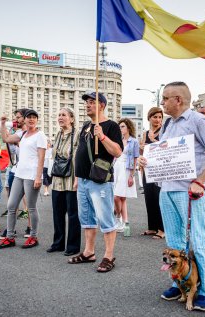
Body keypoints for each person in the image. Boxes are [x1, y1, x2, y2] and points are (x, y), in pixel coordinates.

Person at [140, 82, 205, 311]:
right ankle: (180, 284)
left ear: (178, 99)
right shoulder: (168, 124)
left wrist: (201, 180)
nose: (162, 103)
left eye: (165, 99)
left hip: (190, 191)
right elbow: (164, 154)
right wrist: (146, 160)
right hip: (166, 189)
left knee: (198, 241)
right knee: (175, 242)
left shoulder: (199, 121)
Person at [67, 91, 123, 273]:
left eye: (92, 102)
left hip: (99, 181)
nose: (88, 105)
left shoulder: (111, 126)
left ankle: (108, 256)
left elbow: (117, 152)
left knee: (105, 218)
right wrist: (77, 178)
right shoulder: (85, 126)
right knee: (87, 219)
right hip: (83, 180)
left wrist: (103, 137)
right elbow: (80, 152)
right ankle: (89, 252)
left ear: (102, 105)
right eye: (87, 102)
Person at [0, 109, 46, 249]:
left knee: (31, 207)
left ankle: (33, 236)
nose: (31, 119)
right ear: (24, 119)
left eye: (34, 117)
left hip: (31, 176)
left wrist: (38, 176)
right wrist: (3, 123)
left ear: (37, 120)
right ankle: (10, 237)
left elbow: (41, 157)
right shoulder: (22, 134)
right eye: (28, 117)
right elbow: (5, 138)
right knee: (11, 206)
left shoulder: (40, 135)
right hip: (19, 174)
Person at [46, 108, 81, 256]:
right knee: (57, 213)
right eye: (59, 115)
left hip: (72, 178)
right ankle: (58, 243)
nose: (60, 117)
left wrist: (78, 178)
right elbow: (55, 156)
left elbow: (80, 157)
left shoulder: (78, 134)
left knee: (73, 214)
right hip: (58, 179)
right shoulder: (58, 134)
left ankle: (73, 246)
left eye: (64, 115)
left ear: (72, 119)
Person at [0, 109, 31, 239]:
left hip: (27, 171)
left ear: (25, 118)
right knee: (12, 201)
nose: (16, 120)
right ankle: (11, 229)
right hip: (15, 169)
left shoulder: (31, 133)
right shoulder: (17, 132)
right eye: (15, 117)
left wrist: (17, 141)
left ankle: (30, 228)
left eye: (18, 117)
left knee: (29, 201)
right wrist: (3, 125)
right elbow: (6, 139)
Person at [139, 107, 165, 239]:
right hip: (148, 170)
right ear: (149, 118)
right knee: (149, 198)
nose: (158, 120)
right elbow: (141, 152)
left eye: (160, 117)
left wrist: (153, 143)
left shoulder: (164, 131)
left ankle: (162, 229)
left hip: (160, 170)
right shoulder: (145, 133)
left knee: (159, 198)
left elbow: (166, 147)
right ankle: (152, 227)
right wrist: (141, 149)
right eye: (155, 117)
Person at [113, 118, 139, 234]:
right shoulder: (118, 140)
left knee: (117, 196)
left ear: (128, 127)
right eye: (119, 127)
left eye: (122, 126)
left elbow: (135, 159)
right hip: (116, 167)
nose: (120, 128)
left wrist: (131, 176)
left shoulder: (134, 142)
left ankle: (118, 218)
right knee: (121, 197)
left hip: (126, 169)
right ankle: (125, 222)